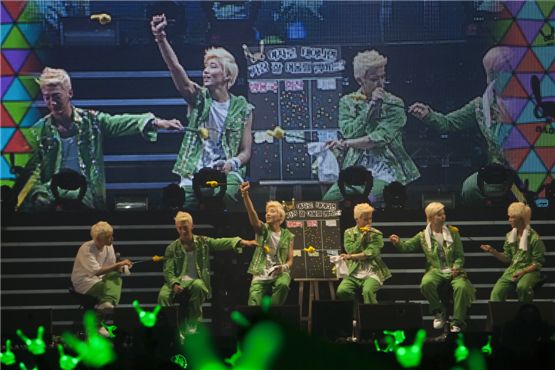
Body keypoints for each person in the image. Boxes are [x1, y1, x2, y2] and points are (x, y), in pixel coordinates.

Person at [18, 67, 183, 211]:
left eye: (56, 96)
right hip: (52, 195)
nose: (52, 102)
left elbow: (121, 121)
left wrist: (156, 122)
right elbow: (32, 173)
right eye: (47, 97)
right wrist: (38, 194)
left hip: (87, 193)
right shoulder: (38, 131)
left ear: (70, 93)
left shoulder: (91, 121)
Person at [151, 14, 254, 210]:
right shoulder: (197, 98)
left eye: (213, 67)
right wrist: (161, 37)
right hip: (193, 172)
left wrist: (231, 163)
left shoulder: (243, 108)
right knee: (182, 213)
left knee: (225, 198)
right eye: (205, 67)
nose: (205, 71)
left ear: (227, 76)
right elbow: (175, 67)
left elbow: (246, 151)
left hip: (226, 173)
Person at [408, 47, 514, 206]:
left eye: (496, 73)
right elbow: (448, 123)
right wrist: (428, 115)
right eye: (489, 74)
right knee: (470, 189)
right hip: (497, 171)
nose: (490, 80)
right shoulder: (479, 106)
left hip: (530, 168)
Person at [323, 49, 420, 205]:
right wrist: (371, 108)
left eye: (383, 77)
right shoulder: (347, 102)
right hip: (355, 171)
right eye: (375, 79)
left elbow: (378, 138)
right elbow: (349, 132)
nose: (381, 83)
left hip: (386, 170)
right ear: (360, 80)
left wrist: (346, 143)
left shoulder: (395, 104)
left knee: (368, 200)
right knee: (328, 203)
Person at [158, 211, 258, 332]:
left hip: (195, 280)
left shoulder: (202, 242)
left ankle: (193, 325)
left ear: (192, 226)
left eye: (185, 227)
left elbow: (220, 242)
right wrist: (174, 284)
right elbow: (168, 271)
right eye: (180, 228)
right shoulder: (172, 248)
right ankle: (167, 327)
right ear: (176, 228)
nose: (183, 231)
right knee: (163, 295)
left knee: (199, 286)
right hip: (178, 280)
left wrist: (241, 242)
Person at [389, 202, 475, 332]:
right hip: (435, 270)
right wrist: (398, 243)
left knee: (461, 287)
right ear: (430, 218)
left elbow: (459, 255)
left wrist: (456, 267)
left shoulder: (453, 233)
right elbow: (407, 247)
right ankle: (439, 311)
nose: (443, 217)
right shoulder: (423, 236)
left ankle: (457, 322)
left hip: (453, 270)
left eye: (443, 214)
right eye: (439, 215)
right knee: (426, 283)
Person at [239, 182, 295, 306]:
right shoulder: (262, 230)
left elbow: (290, 260)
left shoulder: (288, 236)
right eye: (267, 212)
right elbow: (253, 214)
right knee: (254, 299)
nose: (268, 214)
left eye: (272, 211)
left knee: (283, 284)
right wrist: (245, 195)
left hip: (279, 271)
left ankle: (273, 313)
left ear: (280, 217)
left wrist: (283, 267)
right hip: (261, 271)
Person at [480, 202, 545, 302]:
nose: (509, 220)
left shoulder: (534, 238)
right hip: (512, 270)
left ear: (521, 219)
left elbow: (538, 263)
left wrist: (523, 271)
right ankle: (498, 316)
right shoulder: (510, 236)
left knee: (522, 287)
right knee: (497, 292)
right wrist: (492, 251)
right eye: (509, 217)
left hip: (529, 271)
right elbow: (507, 258)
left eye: (512, 217)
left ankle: (524, 314)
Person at [336, 203, 391, 304]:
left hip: (373, 271)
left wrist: (351, 257)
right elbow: (350, 250)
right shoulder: (348, 233)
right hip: (354, 271)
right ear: (357, 219)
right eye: (365, 219)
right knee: (342, 291)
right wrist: (362, 238)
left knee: (368, 291)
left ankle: (371, 316)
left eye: (370, 218)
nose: (369, 222)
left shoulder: (376, 234)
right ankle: (356, 312)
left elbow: (370, 253)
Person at [71, 221, 132, 312]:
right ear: (99, 239)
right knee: (111, 290)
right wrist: (118, 264)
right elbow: (97, 271)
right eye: (108, 237)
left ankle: (106, 305)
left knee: (115, 276)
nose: (112, 239)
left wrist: (122, 267)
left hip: (99, 279)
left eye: (111, 235)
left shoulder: (109, 246)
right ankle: (106, 305)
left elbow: (111, 268)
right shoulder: (86, 249)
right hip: (85, 283)